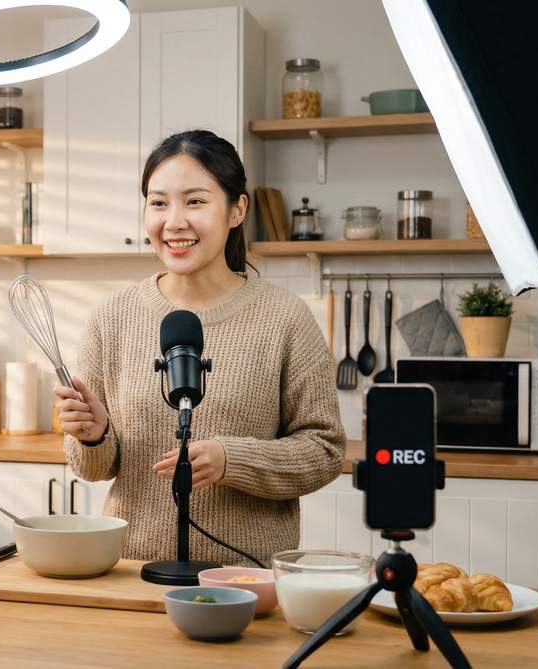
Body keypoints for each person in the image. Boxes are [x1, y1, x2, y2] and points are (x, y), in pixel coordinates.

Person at [54, 130, 345, 565]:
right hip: (134, 574)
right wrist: (93, 435)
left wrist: (232, 459)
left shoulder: (284, 318)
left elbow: (325, 450)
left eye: (195, 201)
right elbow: (96, 469)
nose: (174, 221)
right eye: (158, 202)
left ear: (236, 210)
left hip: (245, 582)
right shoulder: (111, 318)